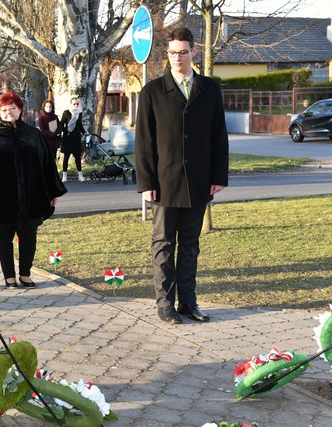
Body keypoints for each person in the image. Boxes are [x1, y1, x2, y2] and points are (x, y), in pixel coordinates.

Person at [135, 27, 229, 325]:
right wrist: (146, 182)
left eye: (183, 52)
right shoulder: (152, 91)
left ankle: (188, 303)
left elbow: (219, 135)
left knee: (190, 245)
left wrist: (218, 175)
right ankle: (165, 305)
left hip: (199, 181)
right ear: (168, 53)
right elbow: (144, 141)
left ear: (193, 52)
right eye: (173, 53)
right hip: (164, 183)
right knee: (163, 244)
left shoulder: (210, 88)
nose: (177, 58)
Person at [0, 91, 67, 288]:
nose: (9, 112)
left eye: (12, 108)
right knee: (4, 237)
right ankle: (9, 277)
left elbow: (46, 164)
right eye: (4, 109)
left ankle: (25, 274)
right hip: (1, 195)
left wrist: (52, 191)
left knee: (28, 236)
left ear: (20, 110)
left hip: (31, 194)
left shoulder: (33, 134)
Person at [60, 97, 85, 182]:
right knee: (66, 157)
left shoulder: (79, 113)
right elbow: (61, 123)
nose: (76, 105)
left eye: (77, 104)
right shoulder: (66, 112)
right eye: (74, 104)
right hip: (68, 137)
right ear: (71, 104)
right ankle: (64, 176)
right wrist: (66, 131)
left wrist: (84, 132)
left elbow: (80, 125)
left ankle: (80, 175)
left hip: (76, 137)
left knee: (77, 157)